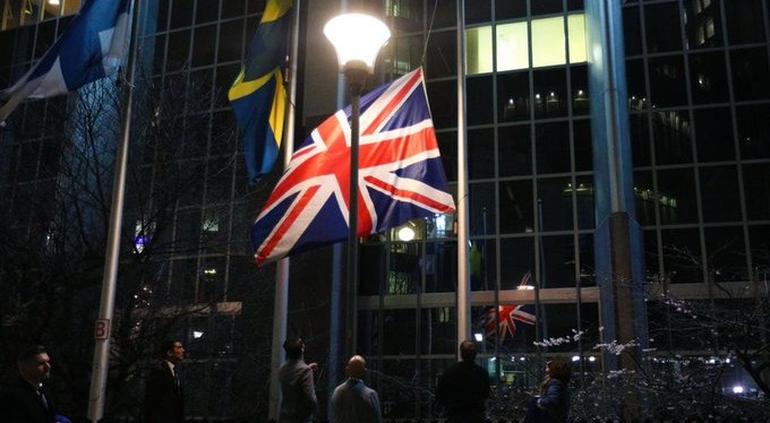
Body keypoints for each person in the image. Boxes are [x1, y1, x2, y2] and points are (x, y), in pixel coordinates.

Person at [0, 345, 70, 423]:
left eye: (48, 362)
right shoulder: (13, 398)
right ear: (24, 368)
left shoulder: (44, 390)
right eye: (41, 363)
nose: (48, 367)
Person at [436, 340, 491, 423]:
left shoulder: (450, 372)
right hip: (476, 416)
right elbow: (486, 394)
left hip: (455, 416)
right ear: (475, 355)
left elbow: (440, 395)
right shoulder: (482, 373)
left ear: (461, 354)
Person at [330, 355, 382, 423]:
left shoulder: (337, 392)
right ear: (364, 371)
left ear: (347, 370)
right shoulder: (371, 395)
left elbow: (333, 417)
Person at [144, 340, 186, 423]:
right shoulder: (159, 371)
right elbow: (153, 400)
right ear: (169, 352)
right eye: (179, 347)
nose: (183, 350)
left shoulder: (174, 371)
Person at [279, 338, 318, 423]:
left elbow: (293, 377)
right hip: (300, 418)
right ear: (302, 349)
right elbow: (311, 398)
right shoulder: (305, 371)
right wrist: (315, 413)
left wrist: (307, 368)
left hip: (284, 417)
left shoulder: (282, 368)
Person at [524, 358, 571, 423]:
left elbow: (552, 400)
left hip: (550, 418)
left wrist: (539, 401)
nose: (546, 369)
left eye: (548, 367)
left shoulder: (555, 382)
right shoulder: (561, 382)